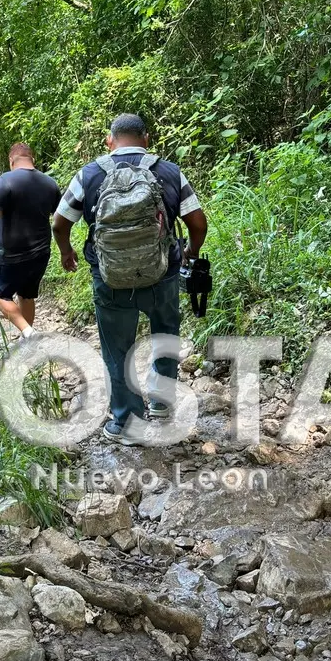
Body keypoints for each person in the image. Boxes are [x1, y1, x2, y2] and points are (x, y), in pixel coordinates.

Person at [53, 113, 207, 445]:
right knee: (165, 336)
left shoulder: (90, 174)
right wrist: (190, 253)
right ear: (146, 138)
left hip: (110, 279)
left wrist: (66, 252)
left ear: (110, 141)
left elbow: (59, 222)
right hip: (161, 275)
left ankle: (128, 422)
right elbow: (198, 222)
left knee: (117, 349)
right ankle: (162, 406)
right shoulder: (168, 172)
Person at [0, 142, 61, 339]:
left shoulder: (6, 180)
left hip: (13, 253)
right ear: (32, 159)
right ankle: (26, 339)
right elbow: (59, 219)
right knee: (27, 294)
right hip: (42, 252)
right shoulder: (50, 183)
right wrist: (66, 250)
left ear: (11, 161)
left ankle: (29, 332)